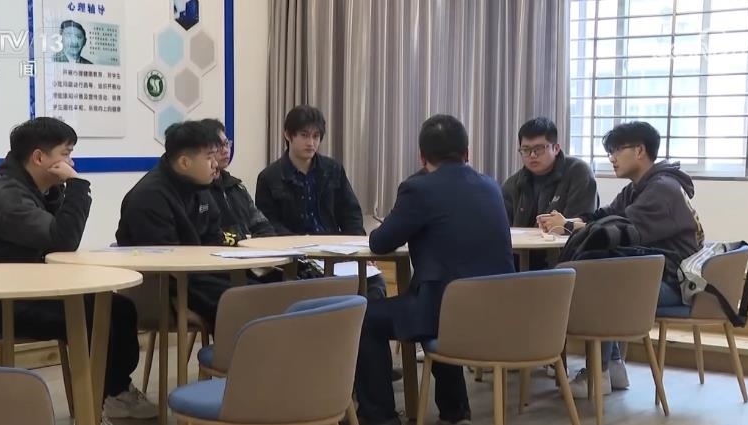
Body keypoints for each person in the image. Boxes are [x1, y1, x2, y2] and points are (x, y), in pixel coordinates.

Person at [0, 117, 157, 421]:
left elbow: (57, 242)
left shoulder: (33, 190)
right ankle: (97, 402)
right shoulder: (7, 197)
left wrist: (58, 190)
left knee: (118, 309)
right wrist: (77, 185)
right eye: (65, 153)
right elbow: (62, 240)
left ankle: (113, 391)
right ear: (39, 158)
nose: (70, 163)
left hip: (27, 290)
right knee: (96, 315)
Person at [355, 115, 517, 425]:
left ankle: (379, 418)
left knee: (365, 318)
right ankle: (455, 412)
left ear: (422, 157)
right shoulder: (491, 186)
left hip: (445, 312)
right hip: (496, 312)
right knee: (443, 300)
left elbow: (380, 241)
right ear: (467, 152)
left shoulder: (418, 189)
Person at [538, 121, 705, 398]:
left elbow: (621, 230)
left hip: (674, 282)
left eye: (617, 150)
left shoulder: (662, 189)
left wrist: (567, 226)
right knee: (604, 279)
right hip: (656, 275)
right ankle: (613, 366)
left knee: (601, 287)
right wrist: (568, 221)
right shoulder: (639, 187)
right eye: (610, 152)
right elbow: (604, 216)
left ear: (639, 151)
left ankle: (599, 373)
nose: (612, 158)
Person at [255, 105, 387, 299]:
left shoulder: (333, 169)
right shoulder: (269, 177)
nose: (311, 143)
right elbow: (268, 224)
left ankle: (361, 321)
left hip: (335, 253)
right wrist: (300, 246)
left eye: (316, 136)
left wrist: (360, 252)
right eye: (304, 135)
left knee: (375, 284)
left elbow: (350, 214)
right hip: (296, 258)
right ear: (288, 135)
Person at [116, 120, 236, 326]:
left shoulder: (199, 187)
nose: (216, 164)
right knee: (241, 301)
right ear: (184, 162)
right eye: (209, 158)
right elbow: (165, 261)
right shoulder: (149, 197)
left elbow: (214, 239)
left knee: (266, 287)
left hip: (199, 275)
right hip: (168, 287)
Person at [501, 117, 598, 269]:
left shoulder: (579, 173)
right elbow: (503, 228)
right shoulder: (513, 183)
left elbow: (583, 223)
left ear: (556, 148)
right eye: (526, 150)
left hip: (565, 261)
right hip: (519, 261)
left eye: (539, 149)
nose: (532, 155)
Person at [204, 118, 276, 240]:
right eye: (218, 146)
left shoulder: (236, 187)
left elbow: (262, 224)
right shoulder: (199, 192)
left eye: (226, 144)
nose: (225, 150)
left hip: (251, 249)